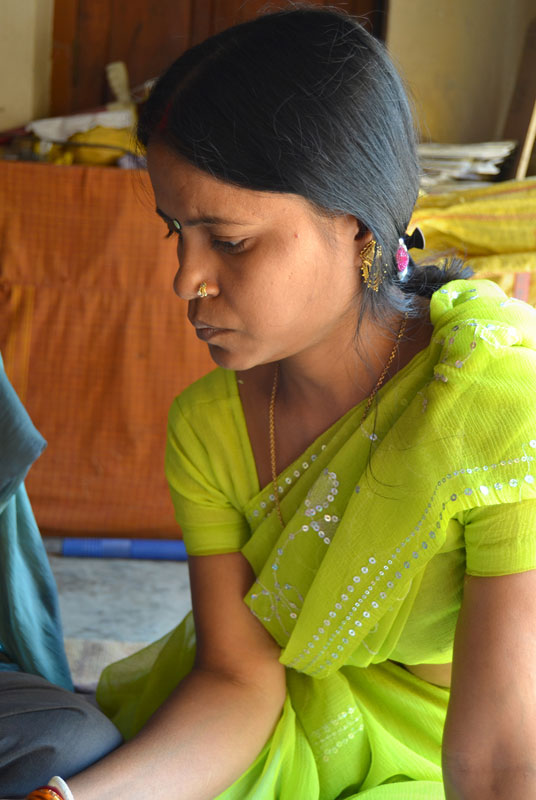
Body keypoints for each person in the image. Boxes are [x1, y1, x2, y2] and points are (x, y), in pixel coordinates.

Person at [21, 6, 536, 800]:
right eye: (175, 232)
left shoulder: (496, 407)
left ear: (357, 226)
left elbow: (501, 760)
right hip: (261, 740)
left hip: (441, 757)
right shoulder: (208, 427)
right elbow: (237, 679)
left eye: (229, 241)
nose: (186, 281)